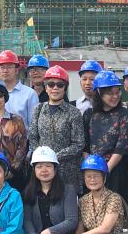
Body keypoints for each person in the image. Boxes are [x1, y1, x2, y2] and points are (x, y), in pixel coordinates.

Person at [22, 146, 77, 234]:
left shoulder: (68, 190)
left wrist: (49, 231)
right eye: (39, 166)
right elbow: (27, 220)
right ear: (34, 170)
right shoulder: (29, 191)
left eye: (48, 166)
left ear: (55, 168)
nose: (44, 170)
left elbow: (72, 220)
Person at [28, 65, 86, 195]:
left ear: (65, 88)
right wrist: (43, 157)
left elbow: (78, 144)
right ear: (46, 87)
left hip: (67, 170)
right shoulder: (38, 109)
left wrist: (54, 157)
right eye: (51, 84)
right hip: (43, 170)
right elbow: (32, 137)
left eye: (60, 85)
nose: (55, 88)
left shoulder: (74, 112)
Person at [83, 70, 128, 205]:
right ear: (99, 93)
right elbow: (85, 145)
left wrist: (106, 169)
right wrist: (91, 169)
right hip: (93, 169)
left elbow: (122, 145)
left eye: (117, 92)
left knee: (114, 207)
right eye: (110, 93)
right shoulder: (89, 114)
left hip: (116, 169)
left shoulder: (124, 114)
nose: (115, 96)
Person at [0, 50, 36, 125]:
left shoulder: (29, 94)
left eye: (9, 67)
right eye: (2, 67)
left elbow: (33, 124)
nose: (5, 70)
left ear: (16, 70)